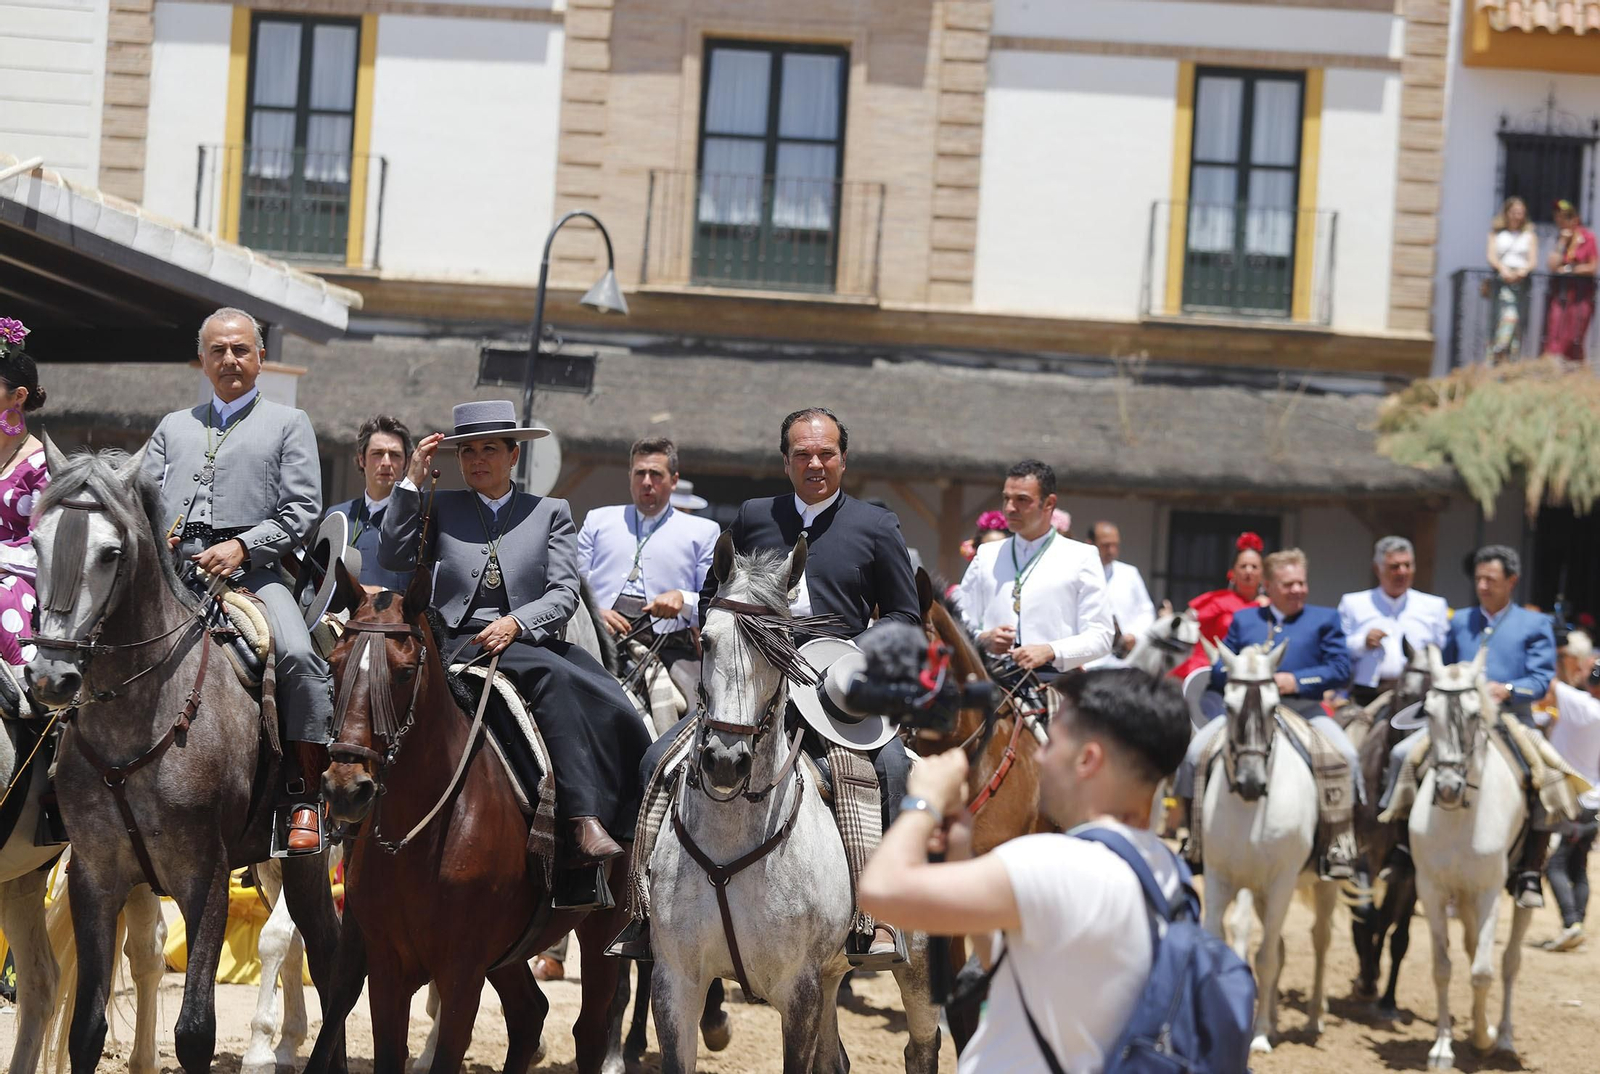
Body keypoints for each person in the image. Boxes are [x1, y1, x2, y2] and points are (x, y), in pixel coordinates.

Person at [620, 406, 921, 965]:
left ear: (843, 460)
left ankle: (881, 919)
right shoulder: (756, 515)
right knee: (656, 758)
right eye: (803, 454)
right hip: (751, 685)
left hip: (835, 685)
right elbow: (714, 597)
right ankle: (642, 910)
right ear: (785, 462)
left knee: (894, 768)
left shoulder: (877, 526)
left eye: (825, 453)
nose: (815, 463)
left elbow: (906, 614)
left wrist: (861, 654)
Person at [380, 400, 650, 908]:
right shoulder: (440, 504)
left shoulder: (551, 513)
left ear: (513, 456)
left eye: (489, 450)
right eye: (467, 452)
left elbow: (564, 594)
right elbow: (394, 555)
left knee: (576, 686)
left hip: (526, 642)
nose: (477, 460)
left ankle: (584, 821)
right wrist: (411, 483)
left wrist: (517, 621)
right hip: (454, 640)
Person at [858, 669, 1191, 1074]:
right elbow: (1014, 967)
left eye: (1054, 740)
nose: (1038, 754)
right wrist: (961, 851)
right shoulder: (1168, 872)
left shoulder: (1054, 865)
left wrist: (923, 802)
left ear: (1087, 760)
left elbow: (881, 893)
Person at [142, 308, 331, 853]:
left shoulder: (289, 424)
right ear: (201, 359)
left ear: (261, 358)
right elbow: (141, 497)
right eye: (218, 350)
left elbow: (302, 510)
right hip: (174, 572)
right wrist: (159, 537)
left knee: (297, 654)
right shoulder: (172, 426)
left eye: (241, 350)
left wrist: (244, 545)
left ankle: (302, 795)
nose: (230, 360)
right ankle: (69, 780)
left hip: (256, 574)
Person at [1378, 544, 1557, 906]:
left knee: (1544, 774)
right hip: (1458, 719)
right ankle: (1401, 849)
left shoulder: (1535, 624)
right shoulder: (1459, 621)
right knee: (1401, 755)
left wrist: (1506, 689)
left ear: (1512, 581)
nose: (1483, 586)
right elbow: (1440, 668)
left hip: (1510, 718)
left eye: (1491, 579)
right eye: (1478, 579)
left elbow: (1540, 680)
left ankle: (1529, 872)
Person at [1175, 548, 1360, 878]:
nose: (1298, 590)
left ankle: (1338, 845)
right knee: (1193, 754)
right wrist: (1240, 670)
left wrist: (1296, 680)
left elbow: (1340, 669)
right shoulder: (1246, 620)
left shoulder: (1324, 618)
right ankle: (1196, 841)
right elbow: (1218, 673)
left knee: (1346, 756)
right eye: (1288, 584)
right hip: (1245, 714)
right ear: (1269, 585)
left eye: (1301, 583)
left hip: (1304, 711)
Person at [577, 436, 721, 699]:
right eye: (640, 473)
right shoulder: (598, 520)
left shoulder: (703, 532)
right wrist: (594, 612)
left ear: (673, 480)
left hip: (666, 648)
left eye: (655, 474)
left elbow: (715, 604)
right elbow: (571, 583)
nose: (646, 481)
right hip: (595, 640)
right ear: (630, 475)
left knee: (694, 713)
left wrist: (683, 599)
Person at [954, 460, 1114, 682]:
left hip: (1054, 683)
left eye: (1022, 500)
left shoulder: (1081, 556)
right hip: (991, 681)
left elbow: (1101, 636)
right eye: (1006, 498)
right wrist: (983, 638)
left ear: (1048, 503)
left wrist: (1050, 650)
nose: (1010, 508)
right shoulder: (986, 555)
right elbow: (958, 621)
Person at [1539, 631, 1600, 951]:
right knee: (1579, 865)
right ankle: (1578, 923)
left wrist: (1560, 658)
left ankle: (1570, 922)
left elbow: (1549, 685)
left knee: (1556, 865)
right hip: (1595, 803)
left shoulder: (1580, 704)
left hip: (1571, 799)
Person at [1337, 536, 1449, 707]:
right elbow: (1337, 649)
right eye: (1394, 567)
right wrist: (1362, 642)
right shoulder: (1353, 603)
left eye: (1408, 565)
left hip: (1418, 697)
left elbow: (1441, 653)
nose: (1402, 572)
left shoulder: (1434, 606)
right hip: (1367, 696)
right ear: (1377, 569)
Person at [0, 318, 48, 668]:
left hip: (20, 583)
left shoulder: (42, 466)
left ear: (18, 397)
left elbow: (44, 547)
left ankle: (28, 690)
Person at [325, 415, 414, 593]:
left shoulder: (416, 517)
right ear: (361, 459)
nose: (386, 463)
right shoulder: (336, 516)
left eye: (395, 455)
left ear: (406, 463)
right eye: (377, 453)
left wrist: (379, 592)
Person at [1171, 532, 1267, 681]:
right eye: (1243, 566)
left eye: (1254, 567)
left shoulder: (1268, 607)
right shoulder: (1217, 600)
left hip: (1252, 673)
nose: (1249, 571)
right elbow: (1187, 622)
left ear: (1262, 574)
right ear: (1232, 573)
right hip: (1209, 667)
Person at [1086, 520, 1154, 669]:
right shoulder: (1079, 575)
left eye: (1115, 545)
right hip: (1089, 661)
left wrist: (1135, 635)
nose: (1111, 550)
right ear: (1091, 544)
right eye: (1105, 545)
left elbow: (1146, 611)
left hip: (1124, 660)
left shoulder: (1129, 574)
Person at [1543, 199, 1598, 363]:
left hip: (1581, 296)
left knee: (1575, 335)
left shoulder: (1588, 238)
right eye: (1558, 217)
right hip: (1559, 294)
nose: (1561, 221)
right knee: (1555, 331)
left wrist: (1569, 270)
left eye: (1566, 217)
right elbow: (1552, 265)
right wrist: (1562, 243)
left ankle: (1573, 373)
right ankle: (1553, 370)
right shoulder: (1556, 239)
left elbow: (1592, 267)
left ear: (1575, 219)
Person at [1487, 196, 1538, 362]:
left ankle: (1509, 360)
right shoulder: (1495, 234)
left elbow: (1532, 261)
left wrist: (1522, 271)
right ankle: (1499, 349)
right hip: (1502, 282)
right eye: (1515, 212)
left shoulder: (1529, 235)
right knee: (1506, 316)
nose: (1518, 216)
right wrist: (1504, 270)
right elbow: (1492, 257)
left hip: (1522, 283)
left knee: (1516, 323)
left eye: (1521, 212)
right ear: (1507, 213)